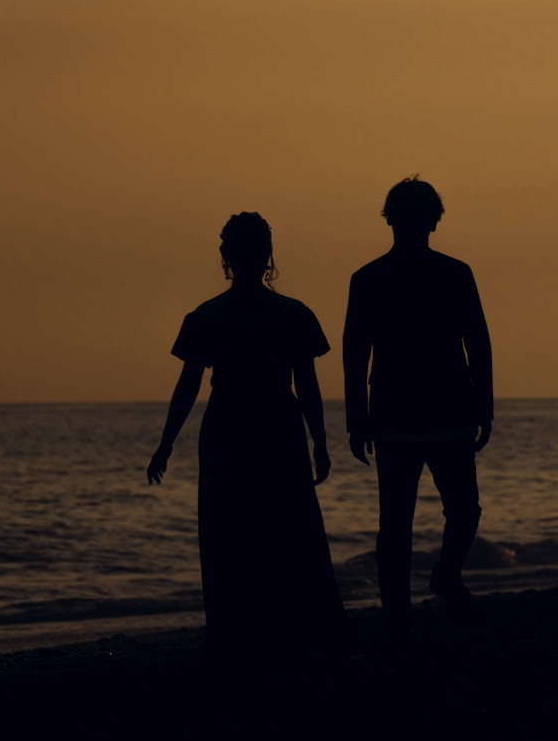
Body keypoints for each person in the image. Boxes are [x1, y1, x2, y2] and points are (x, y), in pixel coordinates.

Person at [146, 213, 347, 659]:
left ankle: (237, 634)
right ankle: (298, 629)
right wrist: (320, 440)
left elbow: (188, 386)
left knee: (229, 532)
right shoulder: (293, 314)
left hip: (229, 427)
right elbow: (306, 386)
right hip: (277, 423)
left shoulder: (207, 316)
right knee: (289, 528)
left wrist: (167, 442)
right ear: (267, 255)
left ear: (226, 257)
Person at [343, 177, 494, 629]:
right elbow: (355, 350)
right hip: (410, 414)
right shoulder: (375, 278)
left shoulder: (444, 274)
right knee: (425, 517)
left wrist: (483, 407)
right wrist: (357, 419)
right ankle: (407, 604)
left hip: (430, 411)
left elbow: (477, 342)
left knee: (423, 518)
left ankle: (432, 587)